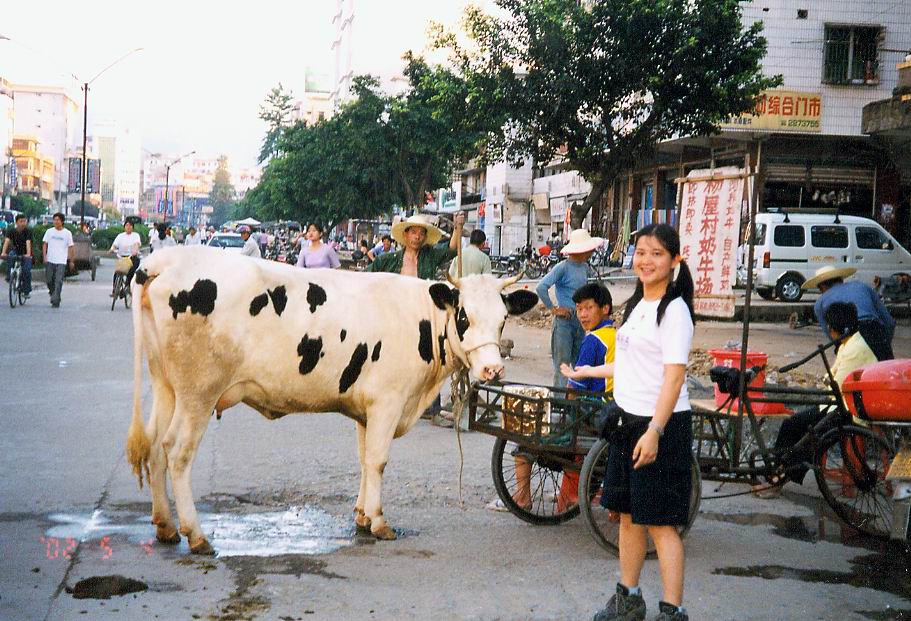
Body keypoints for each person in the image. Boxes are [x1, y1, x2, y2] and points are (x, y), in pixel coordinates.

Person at [562, 223, 695, 621]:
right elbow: (632, 363)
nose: (646, 260)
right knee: (628, 515)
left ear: (674, 261)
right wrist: (589, 374)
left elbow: (674, 376)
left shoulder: (674, 312)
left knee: (660, 523)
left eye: (656, 253)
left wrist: (655, 430)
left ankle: (673, 611)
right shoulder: (637, 306)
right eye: (641, 252)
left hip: (660, 425)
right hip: (626, 422)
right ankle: (628, 596)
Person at [490, 283, 615, 513]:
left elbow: (574, 388)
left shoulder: (594, 340)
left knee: (526, 433)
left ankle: (523, 497)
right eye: (579, 309)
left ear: (605, 308)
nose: (583, 315)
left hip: (592, 415)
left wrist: (562, 405)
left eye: (589, 308)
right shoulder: (615, 335)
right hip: (609, 409)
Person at [766, 302, 878, 497]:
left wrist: (828, 381)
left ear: (837, 327)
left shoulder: (855, 349)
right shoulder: (849, 344)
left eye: (829, 326)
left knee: (810, 437)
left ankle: (778, 478)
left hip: (847, 410)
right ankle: (778, 472)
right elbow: (832, 378)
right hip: (835, 404)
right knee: (791, 425)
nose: (828, 330)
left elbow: (836, 382)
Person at [370, 212, 465, 425]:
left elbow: (451, 250)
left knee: (431, 360)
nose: (417, 237)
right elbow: (368, 275)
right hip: (395, 317)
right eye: (413, 232)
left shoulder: (430, 255)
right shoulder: (389, 260)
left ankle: (434, 410)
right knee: (394, 361)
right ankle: (394, 404)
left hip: (424, 315)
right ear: (405, 235)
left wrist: (458, 228)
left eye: (421, 233)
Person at [536, 228, 604, 387]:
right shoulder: (563, 267)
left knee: (580, 365)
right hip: (564, 322)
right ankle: (559, 405)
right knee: (562, 366)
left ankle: (577, 403)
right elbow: (541, 287)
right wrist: (554, 309)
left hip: (580, 320)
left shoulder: (585, 267)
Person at [803, 265, 895, 361]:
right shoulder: (862, 286)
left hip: (848, 335)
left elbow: (833, 335)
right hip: (874, 329)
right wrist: (884, 341)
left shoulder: (820, 303)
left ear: (822, 287)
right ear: (841, 280)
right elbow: (889, 322)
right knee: (887, 370)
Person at [42, 213, 75, 308]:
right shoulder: (49, 232)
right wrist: (44, 256)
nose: (56, 222)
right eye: (54, 220)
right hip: (50, 259)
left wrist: (72, 260)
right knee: (49, 279)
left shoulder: (67, 233)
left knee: (58, 280)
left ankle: (55, 299)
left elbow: (71, 247)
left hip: (61, 261)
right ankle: (53, 293)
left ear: (62, 221)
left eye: (58, 220)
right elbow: (44, 244)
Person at [1, 214, 33, 298]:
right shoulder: (11, 231)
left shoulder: (28, 231)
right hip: (15, 251)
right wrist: (3, 252)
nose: (23, 223)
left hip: (26, 252)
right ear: (16, 222)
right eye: (21, 221)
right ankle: (9, 276)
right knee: (10, 256)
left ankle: (26, 291)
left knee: (26, 271)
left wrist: (28, 254)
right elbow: (6, 241)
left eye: (24, 221)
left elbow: (28, 242)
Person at [109, 220, 142, 292]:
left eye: (130, 225)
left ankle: (128, 285)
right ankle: (115, 289)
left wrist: (135, 251)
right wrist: (112, 249)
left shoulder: (135, 235)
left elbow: (137, 244)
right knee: (117, 272)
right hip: (122, 257)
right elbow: (114, 245)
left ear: (132, 227)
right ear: (124, 227)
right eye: (126, 225)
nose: (128, 227)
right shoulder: (120, 236)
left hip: (132, 257)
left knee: (131, 271)